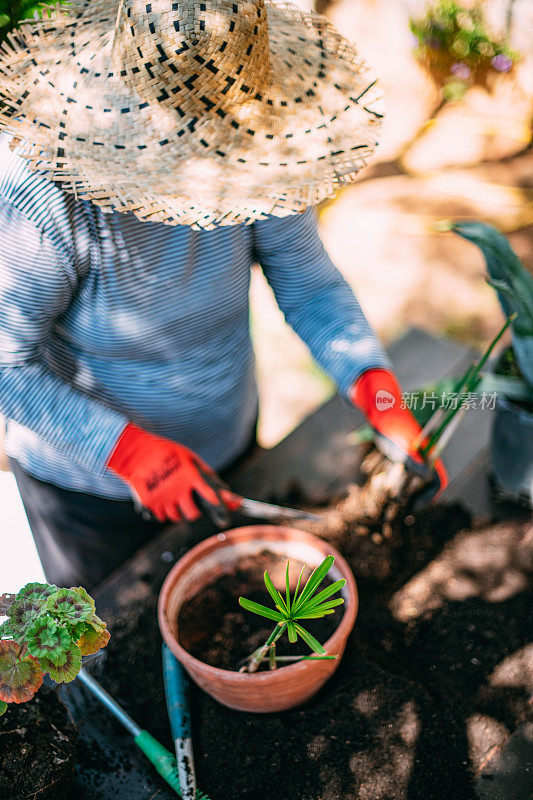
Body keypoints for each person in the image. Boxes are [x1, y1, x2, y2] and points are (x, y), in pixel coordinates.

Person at [0, 0, 447, 590]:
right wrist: (127, 452)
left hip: (227, 441)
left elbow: (309, 286)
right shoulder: (44, 193)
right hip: (91, 494)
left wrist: (378, 393)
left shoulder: (256, 150)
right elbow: (8, 363)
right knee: (112, 643)